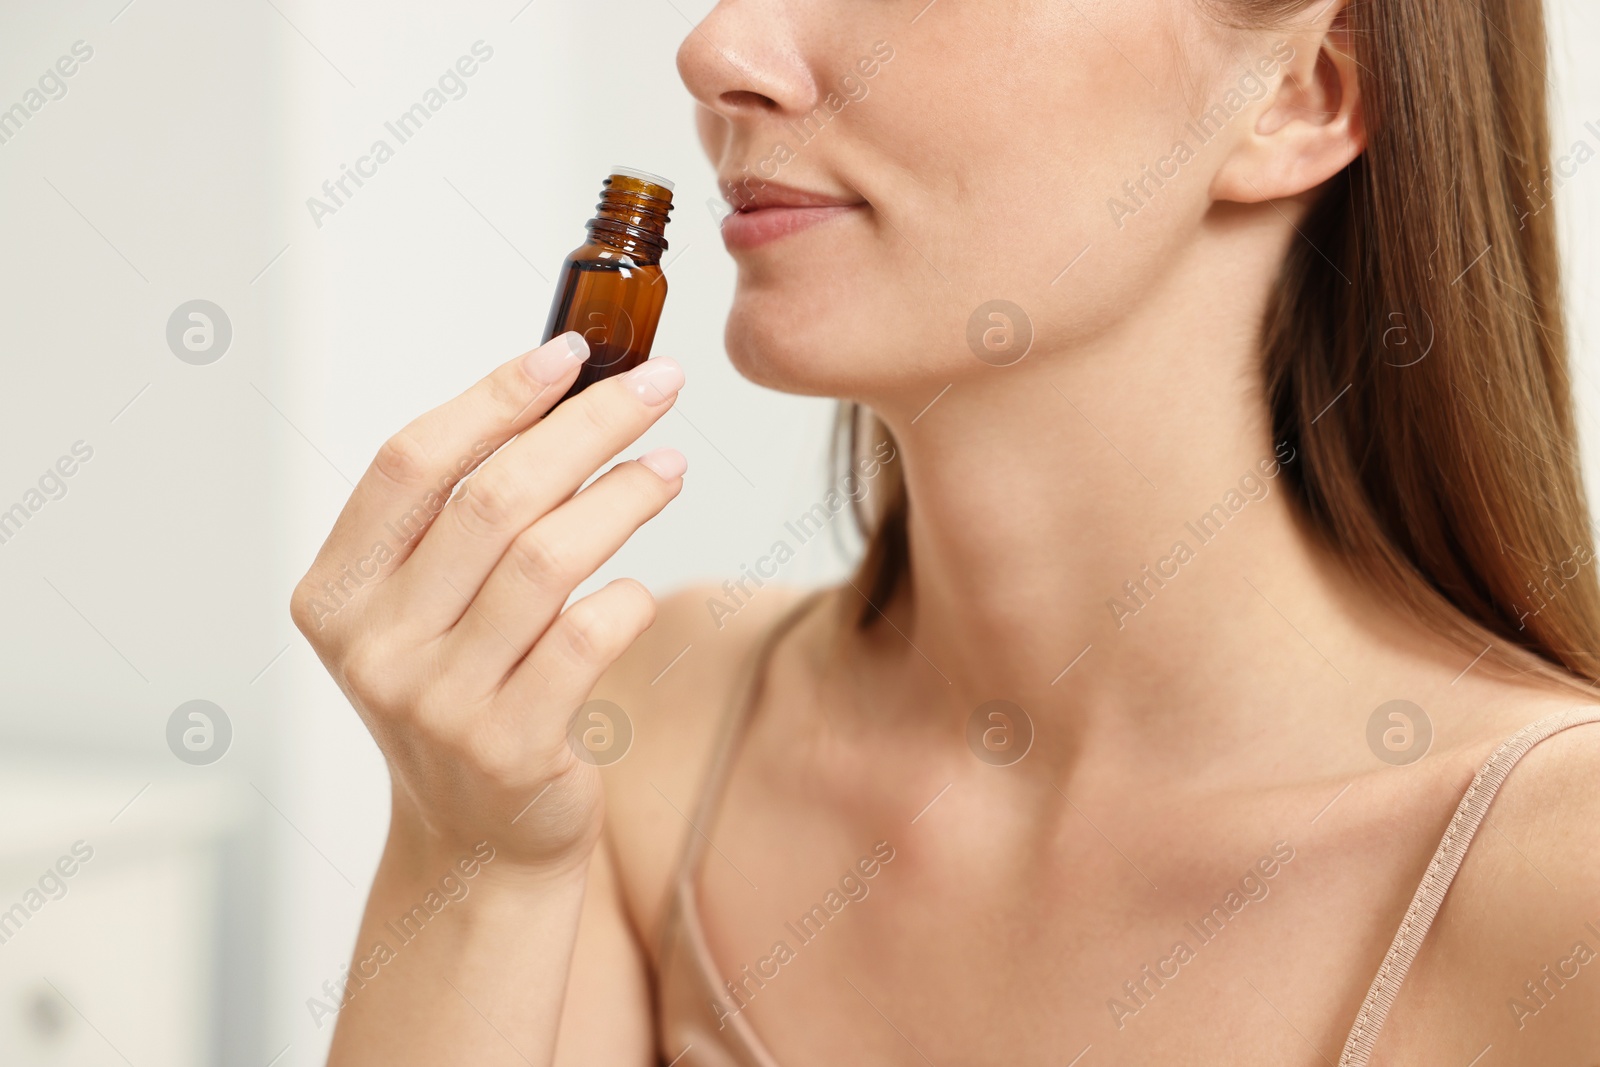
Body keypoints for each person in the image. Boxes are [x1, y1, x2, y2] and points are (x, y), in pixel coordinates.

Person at [292, 0, 1600, 1062]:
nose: (716, 48)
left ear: (1302, 91)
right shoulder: (649, 734)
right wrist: (465, 860)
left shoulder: (1560, 881)